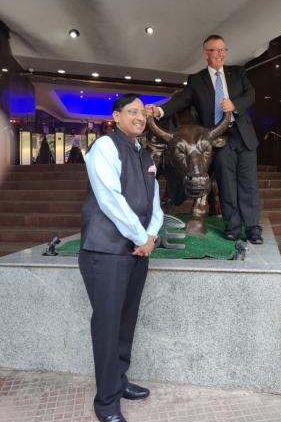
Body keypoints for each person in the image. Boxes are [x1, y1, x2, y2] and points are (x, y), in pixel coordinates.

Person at [78, 94, 163, 422]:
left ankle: (119, 380)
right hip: (106, 253)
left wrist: (152, 235)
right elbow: (110, 198)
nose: (140, 117)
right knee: (108, 325)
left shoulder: (145, 154)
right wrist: (141, 237)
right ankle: (107, 402)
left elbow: (155, 200)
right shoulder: (105, 147)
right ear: (116, 116)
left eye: (143, 112)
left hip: (137, 252)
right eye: (133, 112)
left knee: (125, 323)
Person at [147, 34, 262, 244]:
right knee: (227, 185)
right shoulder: (197, 79)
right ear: (205, 54)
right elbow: (181, 100)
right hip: (217, 140)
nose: (219, 54)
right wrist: (160, 111)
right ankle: (233, 228)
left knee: (248, 185)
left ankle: (254, 228)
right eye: (214, 50)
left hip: (244, 137)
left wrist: (234, 105)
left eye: (222, 50)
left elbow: (251, 95)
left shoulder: (238, 72)